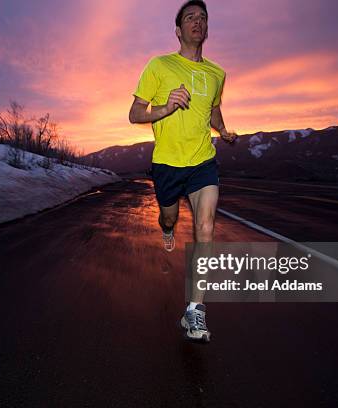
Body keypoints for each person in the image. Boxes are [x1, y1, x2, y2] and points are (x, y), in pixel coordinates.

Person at [128, 0, 237, 342]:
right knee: (169, 217)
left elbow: (214, 112)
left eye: (203, 17)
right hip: (167, 164)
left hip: (203, 162)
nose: (197, 21)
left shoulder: (217, 73)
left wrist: (225, 131)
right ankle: (167, 228)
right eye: (190, 17)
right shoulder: (159, 66)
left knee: (206, 226)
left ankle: (195, 311)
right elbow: (135, 113)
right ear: (178, 30)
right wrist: (166, 106)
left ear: (207, 29)